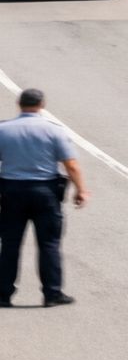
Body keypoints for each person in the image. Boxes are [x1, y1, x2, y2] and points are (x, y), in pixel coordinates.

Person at [0, 88, 89, 307]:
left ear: (19, 104)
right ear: (42, 104)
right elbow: (71, 165)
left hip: (11, 191)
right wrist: (81, 190)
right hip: (45, 193)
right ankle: (52, 293)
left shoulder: (3, 130)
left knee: (10, 244)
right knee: (49, 244)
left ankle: (3, 294)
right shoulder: (54, 131)